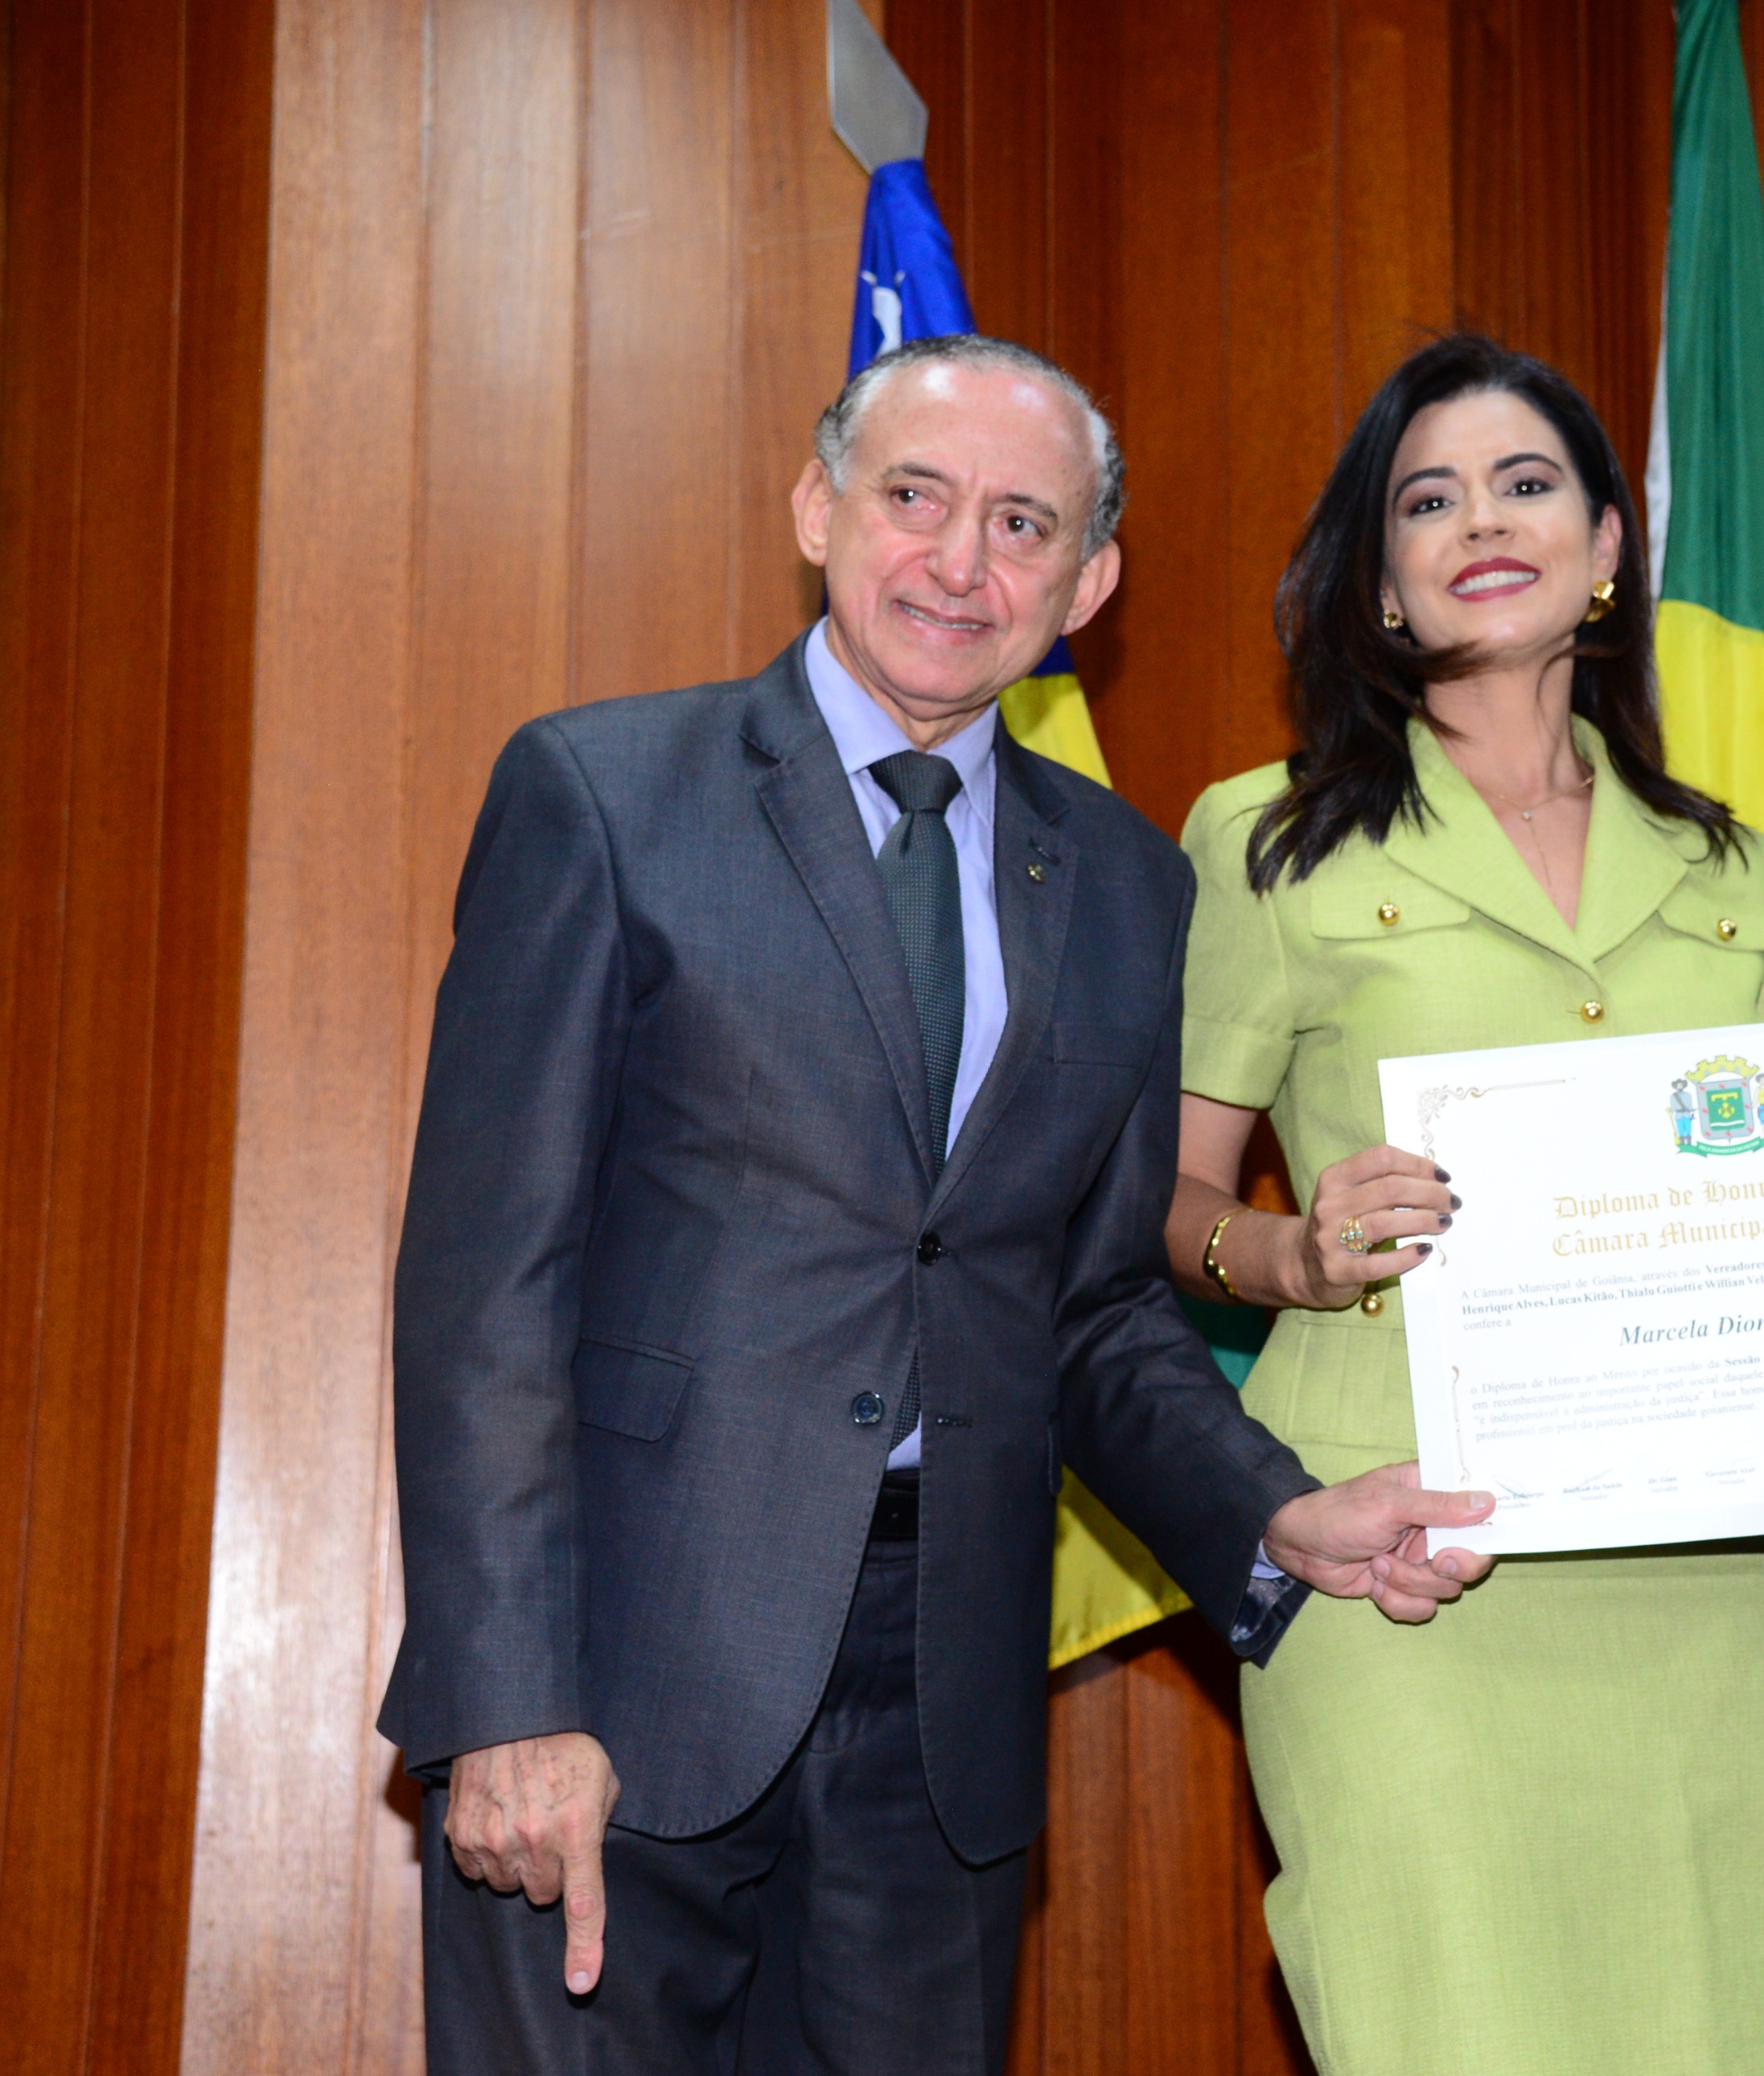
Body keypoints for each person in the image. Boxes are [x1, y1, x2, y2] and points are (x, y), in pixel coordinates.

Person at [379, 331, 1497, 2075]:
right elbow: (484, 1289)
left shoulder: (1124, 882)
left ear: (1087, 583)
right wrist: (509, 1695)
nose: (961, 561)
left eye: (1023, 524)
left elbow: (1094, 1306)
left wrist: (1271, 1511)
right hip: (620, 1674)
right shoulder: (604, 795)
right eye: (916, 497)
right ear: (818, 508)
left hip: (943, 1709)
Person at [1166, 334, 1764, 2075]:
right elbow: (1159, 1205)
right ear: (1382, 577)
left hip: (1694, 1573)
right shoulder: (1265, 842)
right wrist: (1292, 1250)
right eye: (1429, 499)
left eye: (1525, 483)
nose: (1480, 521)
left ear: (1607, 545)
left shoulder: (1740, 869)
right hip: (1398, 1556)